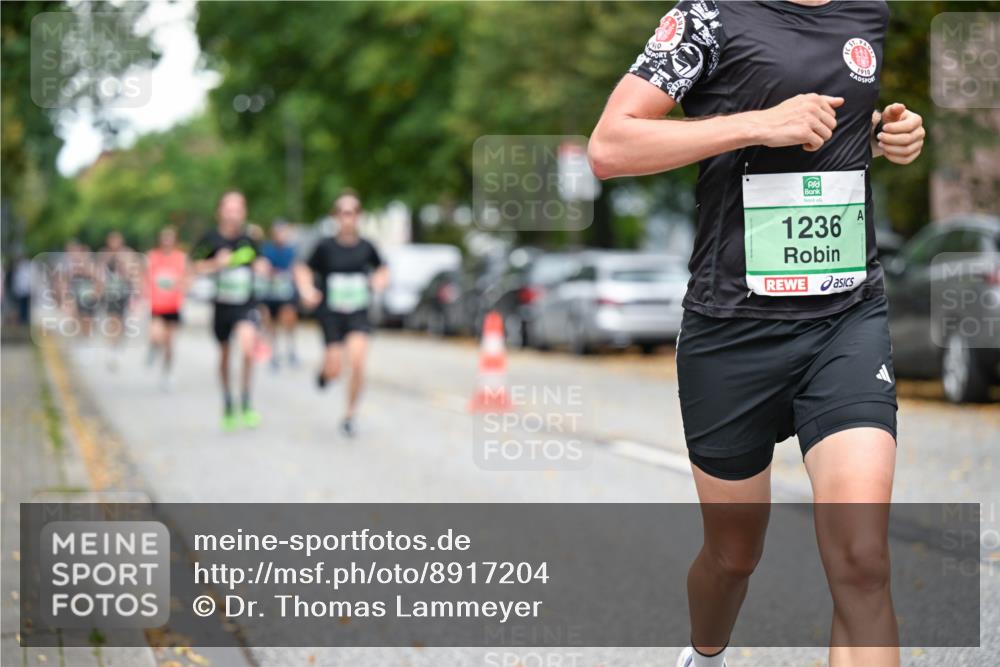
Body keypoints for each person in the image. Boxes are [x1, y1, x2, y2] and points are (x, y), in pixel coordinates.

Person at [588, 2, 925, 667]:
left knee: (862, 558)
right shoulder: (708, 17)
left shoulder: (869, 13)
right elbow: (608, 147)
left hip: (845, 318)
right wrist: (757, 125)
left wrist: (897, 133)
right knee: (733, 555)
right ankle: (707, 650)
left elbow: (841, 141)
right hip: (731, 329)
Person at [294, 192, 388, 437]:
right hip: (331, 314)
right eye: (343, 213)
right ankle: (325, 373)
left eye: (353, 213)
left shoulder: (367, 247)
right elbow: (303, 268)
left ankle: (350, 415)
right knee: (335, 368)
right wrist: (306, 288)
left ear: (359, 216)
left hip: (358, 312)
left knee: (357, 363)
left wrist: (379, 281)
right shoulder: (325, 246)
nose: (348, 218)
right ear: (335, 216)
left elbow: (382, 269)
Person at [193, 191, 270, 431]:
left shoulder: (250, 239)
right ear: (220, 212)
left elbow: (260, 262)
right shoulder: (209, 239)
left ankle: (246, 400)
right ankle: (228, 401)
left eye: (238, 209)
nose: (234, 214)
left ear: (244, 213)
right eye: (229, 209)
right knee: (225, 355)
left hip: (245, 304)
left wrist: (262, 267)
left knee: (248, 348)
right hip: (221, 305)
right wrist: (215, 264)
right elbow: (193, 266)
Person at [146, 226, 189, 390]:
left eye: (170, 238)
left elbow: (187, 278)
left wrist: (183, 286)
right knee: (157, 336)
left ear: (175, 240)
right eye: (164, 238)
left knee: (170, 343)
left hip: (173, 305)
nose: (167, 241)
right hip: (157, 305)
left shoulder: (181, 258)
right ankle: (153, 348)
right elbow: (145, 278)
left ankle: (167, 373)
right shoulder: (152, 257)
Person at [260, 220, 300, 370]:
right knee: (271, 323)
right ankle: (274, 353)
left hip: (286, 291)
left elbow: (295, 267)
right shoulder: (267, 250)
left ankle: (291, 350)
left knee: (289, 318)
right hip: (271, 292)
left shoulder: (291, 250)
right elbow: (264, 266)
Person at [100, 231, 140, 371]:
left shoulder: (127, 254)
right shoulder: (104, 255)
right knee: (112, 320)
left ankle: (117, 345)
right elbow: (99, 274)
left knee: (121, 322)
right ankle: (112, 350)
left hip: (124, 293)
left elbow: (134, 274)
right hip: (110, 293)